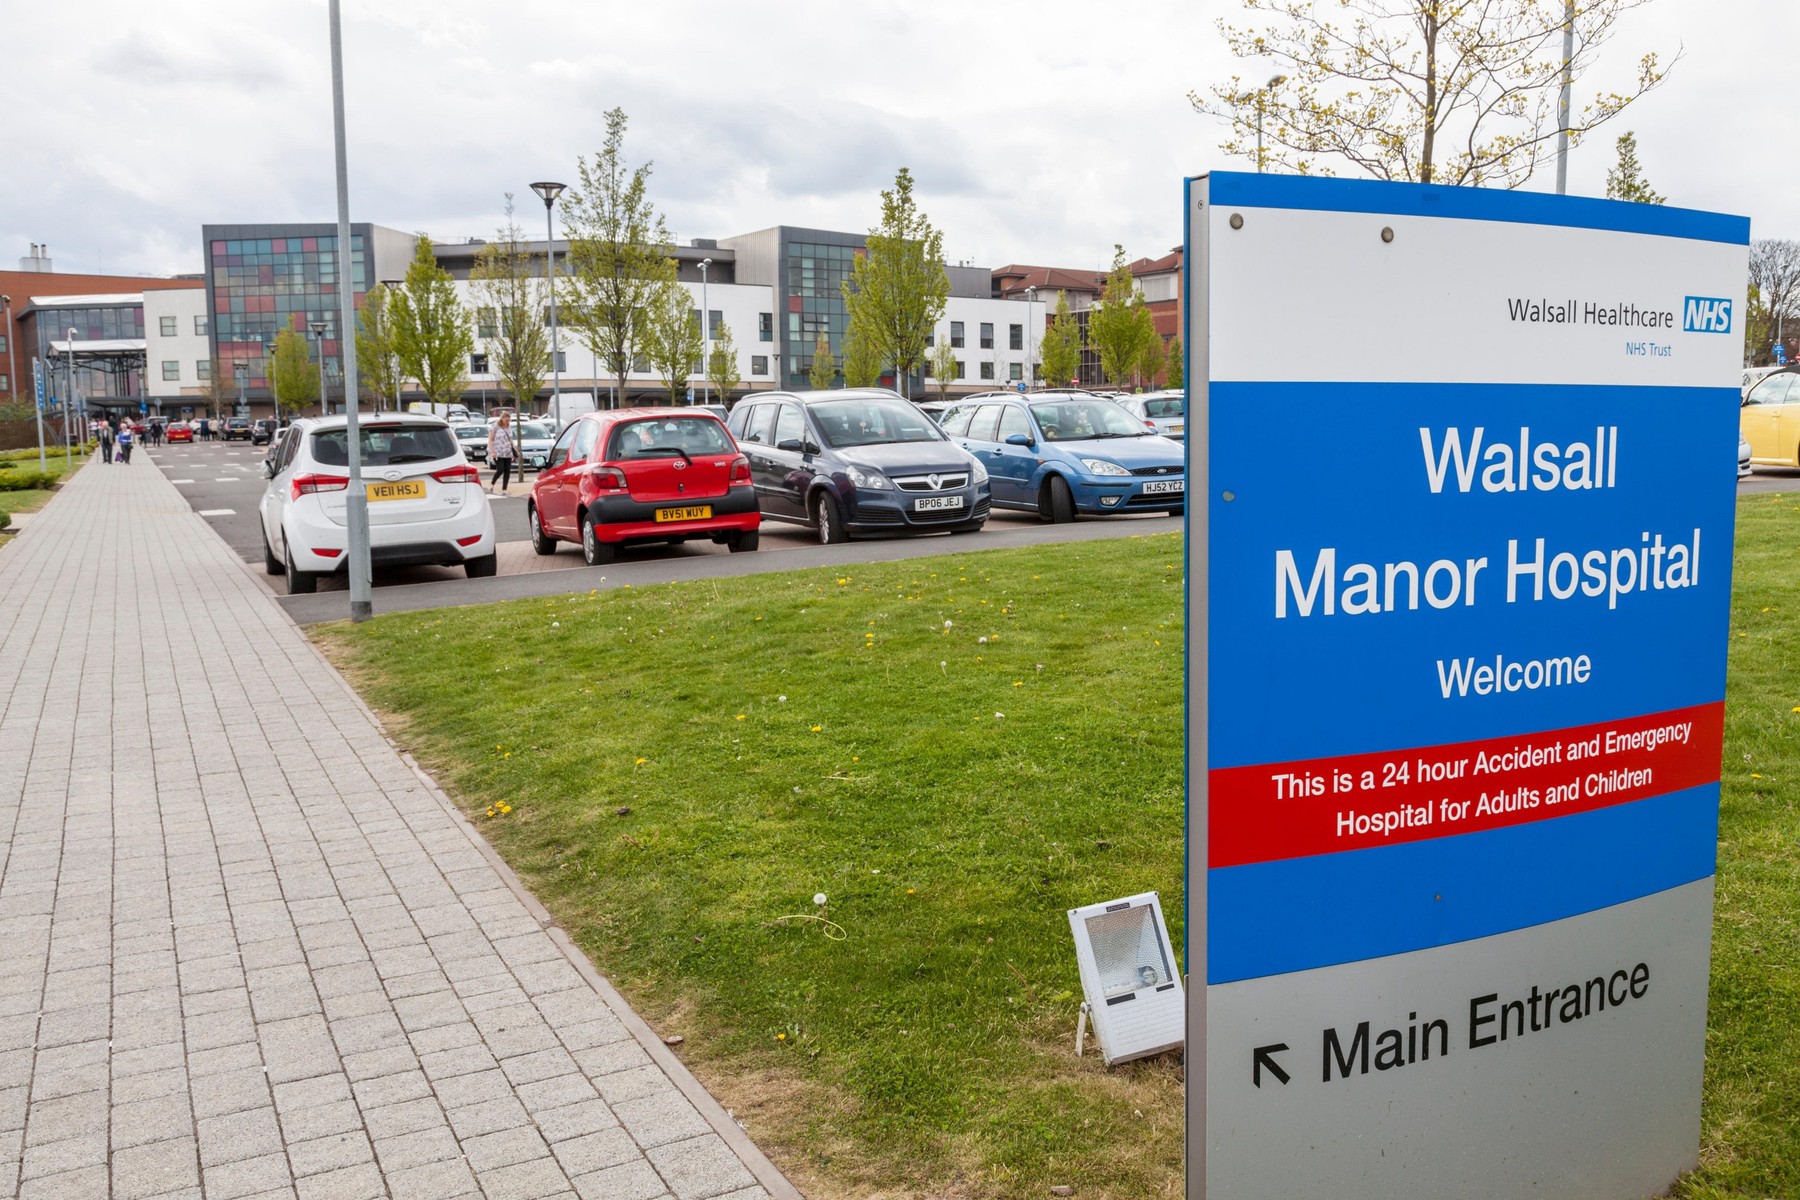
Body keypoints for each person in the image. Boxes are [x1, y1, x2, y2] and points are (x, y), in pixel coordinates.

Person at [488, 412, 515, 494]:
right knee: (500, 469)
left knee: (507, 470)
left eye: (508, 420)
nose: (507, 421)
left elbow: (510, 439)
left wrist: (514, 450)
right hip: (498, 452)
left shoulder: (509, 427)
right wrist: (492, 452)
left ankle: (504, 489)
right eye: (506, 420)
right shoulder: (495, 426)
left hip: (508, 451)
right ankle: (492, 483)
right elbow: (490, 440)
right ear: (502, 418)